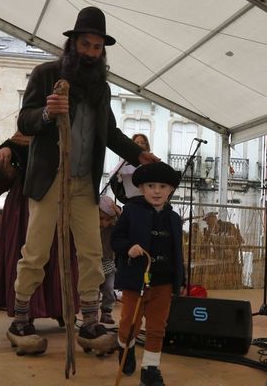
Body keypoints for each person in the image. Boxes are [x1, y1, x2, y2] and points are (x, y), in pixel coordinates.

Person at [9, 6, 159, 354]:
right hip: (50, 179)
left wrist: (139, 156)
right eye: (86, 45)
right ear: (73, 43)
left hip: (83, 184)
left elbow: (110, 133)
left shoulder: (100, 88)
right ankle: (19, 319)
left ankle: (89, 323)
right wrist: (48, 113)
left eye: (97, 48)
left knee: (92, 254)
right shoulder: (46, 74)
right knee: (35, 252)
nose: (91, 52)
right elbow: (25, 121)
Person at [0, 133, 79, 336]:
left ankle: (61, 307)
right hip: (27, 197)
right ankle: (25, 311)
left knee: (57, 253)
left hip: (59, 195)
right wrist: (7, 150)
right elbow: (13, 143)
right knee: (29, 251)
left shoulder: (70, 128)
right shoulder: (30, 127)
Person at [111, 162, 183, 385]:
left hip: (164, 282)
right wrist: (128, 247)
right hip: (135, 282)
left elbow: (178, 252)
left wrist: (180, 280)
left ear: (170, 190)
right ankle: (126, 347)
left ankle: (151, 368)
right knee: (128, 324)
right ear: (141, 188)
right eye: (151, 185)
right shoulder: (131, 211)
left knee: (157, 327)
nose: (157, 191)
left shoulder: (174, 218)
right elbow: (116, 239)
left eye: (163, 186)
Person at [97, 196, 120, 324]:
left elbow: (125, 223)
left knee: (109, 289)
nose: (104, 223)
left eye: (108, 219)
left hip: (108, 262)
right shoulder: (90, 226)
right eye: (101, 218)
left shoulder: (113, 227)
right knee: (93, 289)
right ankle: (92, 312)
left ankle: (106, 312)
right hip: (93, 261)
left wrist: (117, 211)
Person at [112, 133, 152, 202]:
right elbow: (115, 177)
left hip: (149, 201)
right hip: (131, 201)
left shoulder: (151, 161)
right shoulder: (124, 161)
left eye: (142, 143)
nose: (139, 145)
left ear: (147, 146)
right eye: (136, 143)